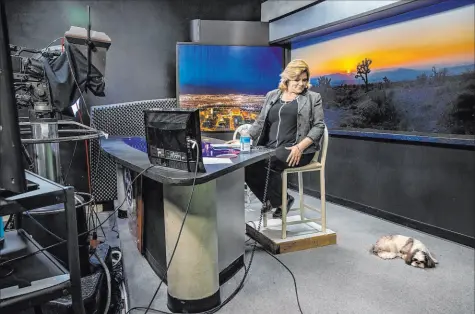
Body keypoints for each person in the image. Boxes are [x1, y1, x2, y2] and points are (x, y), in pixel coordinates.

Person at [235, 59, 325, 218]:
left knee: (268, 161)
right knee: (245, 163)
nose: (301, 84)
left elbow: (319, 126)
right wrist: (245, 137)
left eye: (304, 80)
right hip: (270, 147)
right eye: (297, 80)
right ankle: (281, 200)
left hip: (298, 149)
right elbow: (261, 121)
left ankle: (276, 201)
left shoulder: (313, 97)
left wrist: (300, 147)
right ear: (287, 79)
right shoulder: (272, 95)